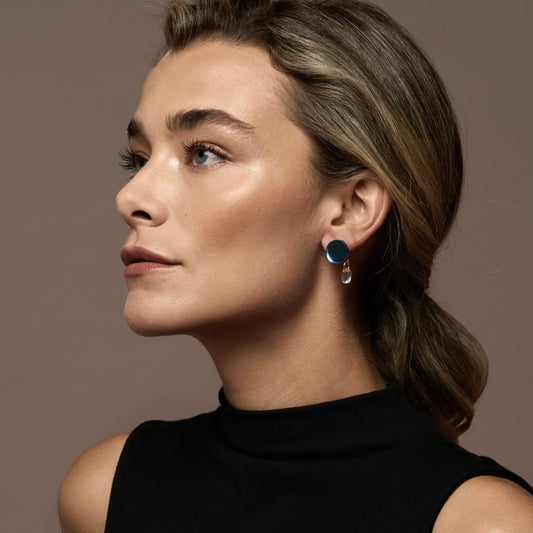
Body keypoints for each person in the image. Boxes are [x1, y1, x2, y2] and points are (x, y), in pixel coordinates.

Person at [58, 1, 533, 531]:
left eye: (204, 153)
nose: (131, 197)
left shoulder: (482, 523)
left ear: (351, 209)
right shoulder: (105, 495)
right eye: (139, 158)